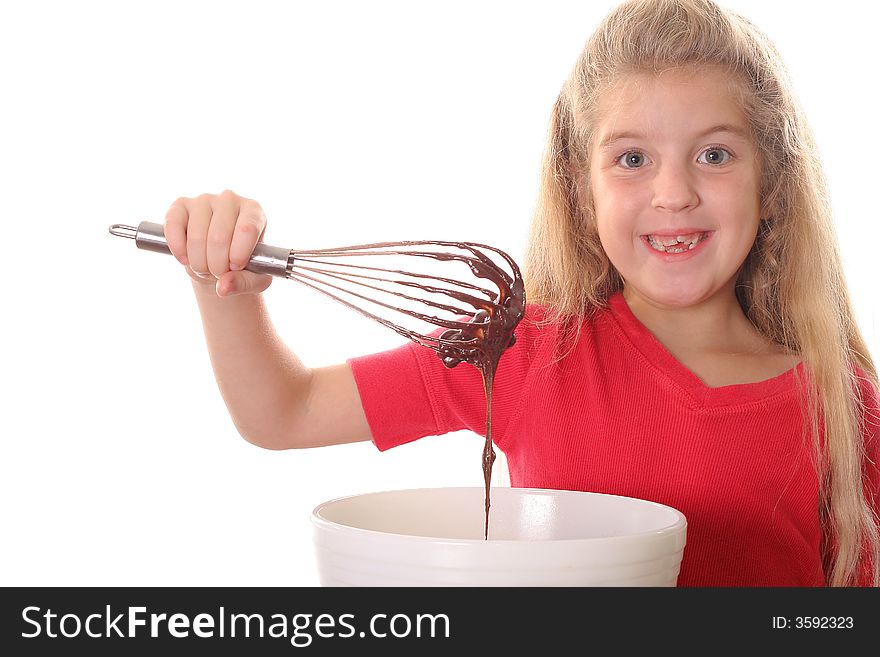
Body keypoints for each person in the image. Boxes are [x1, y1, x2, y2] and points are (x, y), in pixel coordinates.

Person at [161, 0, 878, 586]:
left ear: (772, 185)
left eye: (714, 154)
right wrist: (223, 284)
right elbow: (284, 411)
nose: (673, 193)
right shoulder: (523, 351)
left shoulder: (842, 408)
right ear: (579, 185)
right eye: (632, 158)